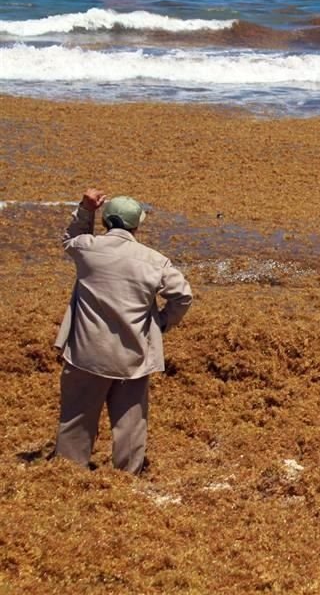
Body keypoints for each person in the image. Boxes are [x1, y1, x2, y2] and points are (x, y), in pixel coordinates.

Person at [53, 188, 192, 473]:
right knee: (130, 424)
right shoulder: (154, 261)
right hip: (133, 357)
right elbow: (183, 296)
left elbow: (70, 238)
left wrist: (86, 209)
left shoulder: (87, 249)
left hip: (86, 353)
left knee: (76, 420)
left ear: (106, 221)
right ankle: (126, 477)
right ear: (137, 225)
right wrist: (162, 322)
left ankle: (69, 473)